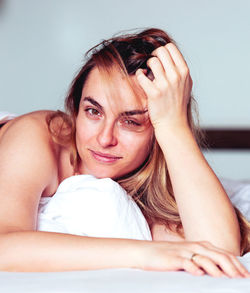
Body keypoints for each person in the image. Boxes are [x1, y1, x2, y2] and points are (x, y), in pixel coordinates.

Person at [0, 28, 249, 277]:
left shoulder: (150, 186)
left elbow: (219, 251)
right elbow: (4, 247)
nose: (105, 138)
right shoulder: (42, 135)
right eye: (93, 111)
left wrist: (174, 127)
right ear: (76, 109)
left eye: (131, 121)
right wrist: (146, 254)